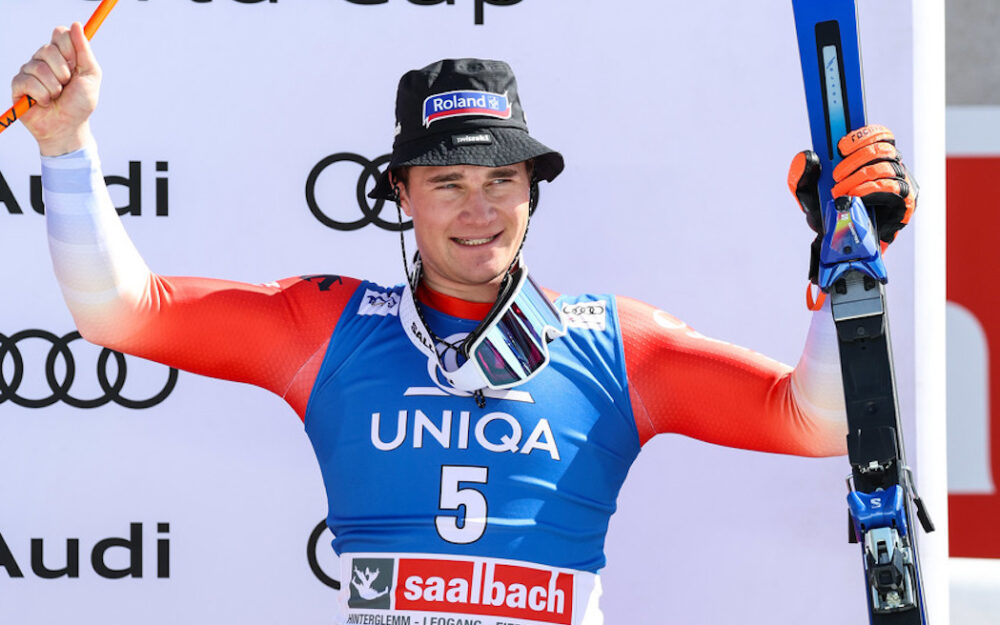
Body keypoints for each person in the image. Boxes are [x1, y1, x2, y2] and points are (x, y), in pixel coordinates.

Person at [13, 22, 916, 625]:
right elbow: (119, 310)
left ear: (532, 191)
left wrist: (849, 261)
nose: (478, 209)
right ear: (401, 193)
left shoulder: (611, 343)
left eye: (501, 182)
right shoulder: (330, 329)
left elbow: (818, 420)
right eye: (447, 182)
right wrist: (63, 143)